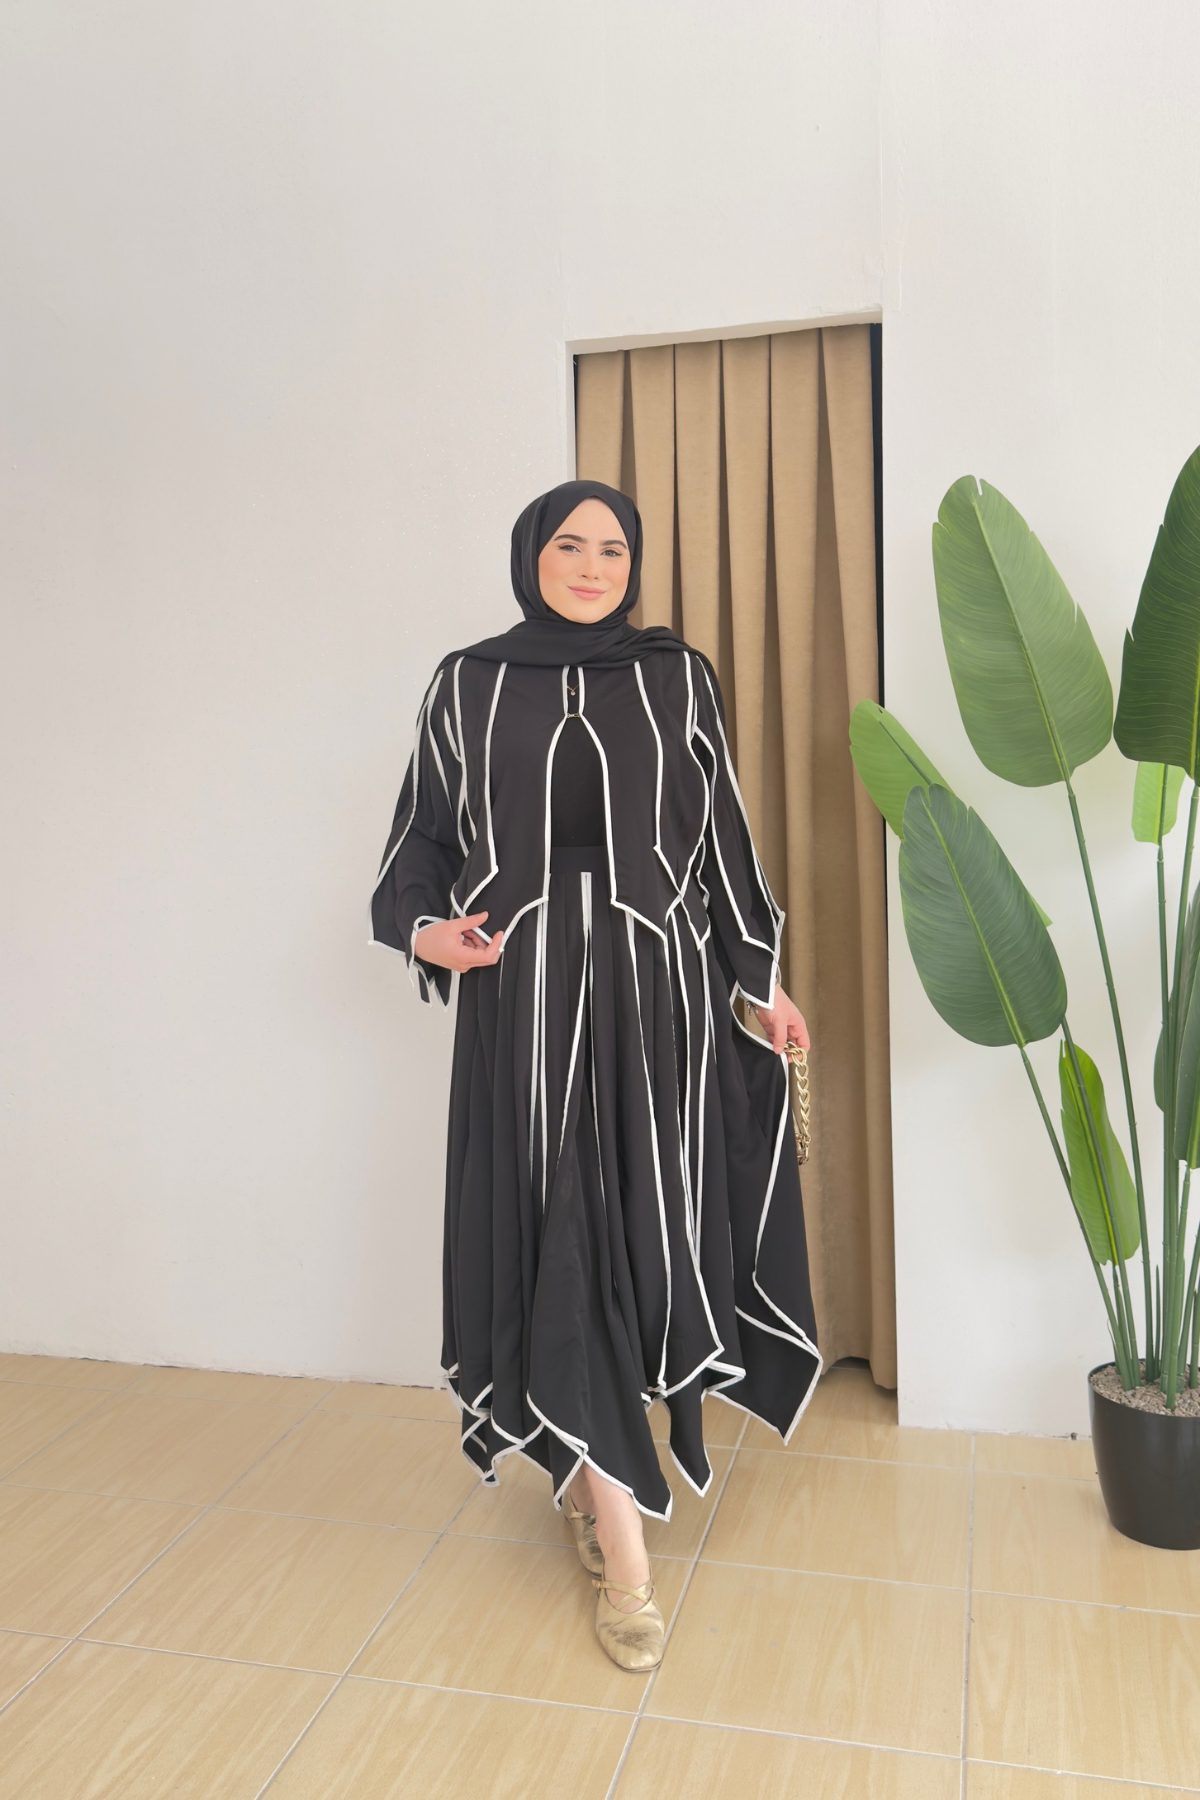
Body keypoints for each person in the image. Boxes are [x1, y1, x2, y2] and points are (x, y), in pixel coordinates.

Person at [370, 478, 820, 1672]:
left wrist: (759, 977)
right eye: (567, 545)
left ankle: (586, 1471)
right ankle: (625, 1550)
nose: (589, 565)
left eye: (611, 548)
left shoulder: (675, 677)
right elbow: (421, 839)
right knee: (552, 1227)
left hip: (653, 995)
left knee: (631, 1233)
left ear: (634, 563)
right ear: (531, 556)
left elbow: (722, 839)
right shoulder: (468, 683)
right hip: (520, 1002)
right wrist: (425, 930)